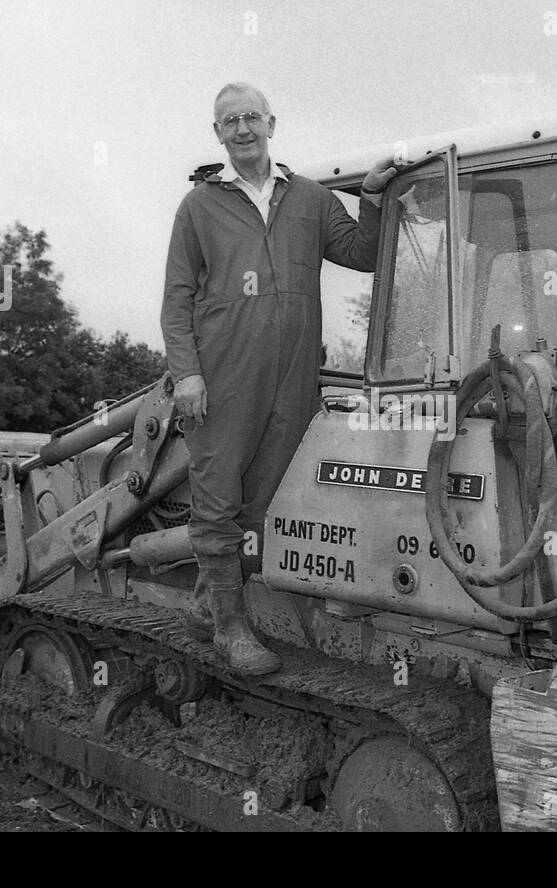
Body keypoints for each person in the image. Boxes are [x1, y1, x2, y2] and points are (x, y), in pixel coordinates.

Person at [160, 83, 402, 675]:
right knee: (218, 500)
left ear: (272, 122)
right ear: (217, 134)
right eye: (228, 122)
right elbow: (176, 298)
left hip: (293, 377)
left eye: (250, 118)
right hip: (222, 377)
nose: (241, 129)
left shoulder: (313, 200)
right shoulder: (199, 207)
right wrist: (187, 374)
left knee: (263, 501)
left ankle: (206, 604)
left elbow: (366, 253)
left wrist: (371, 197)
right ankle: (230, 628)